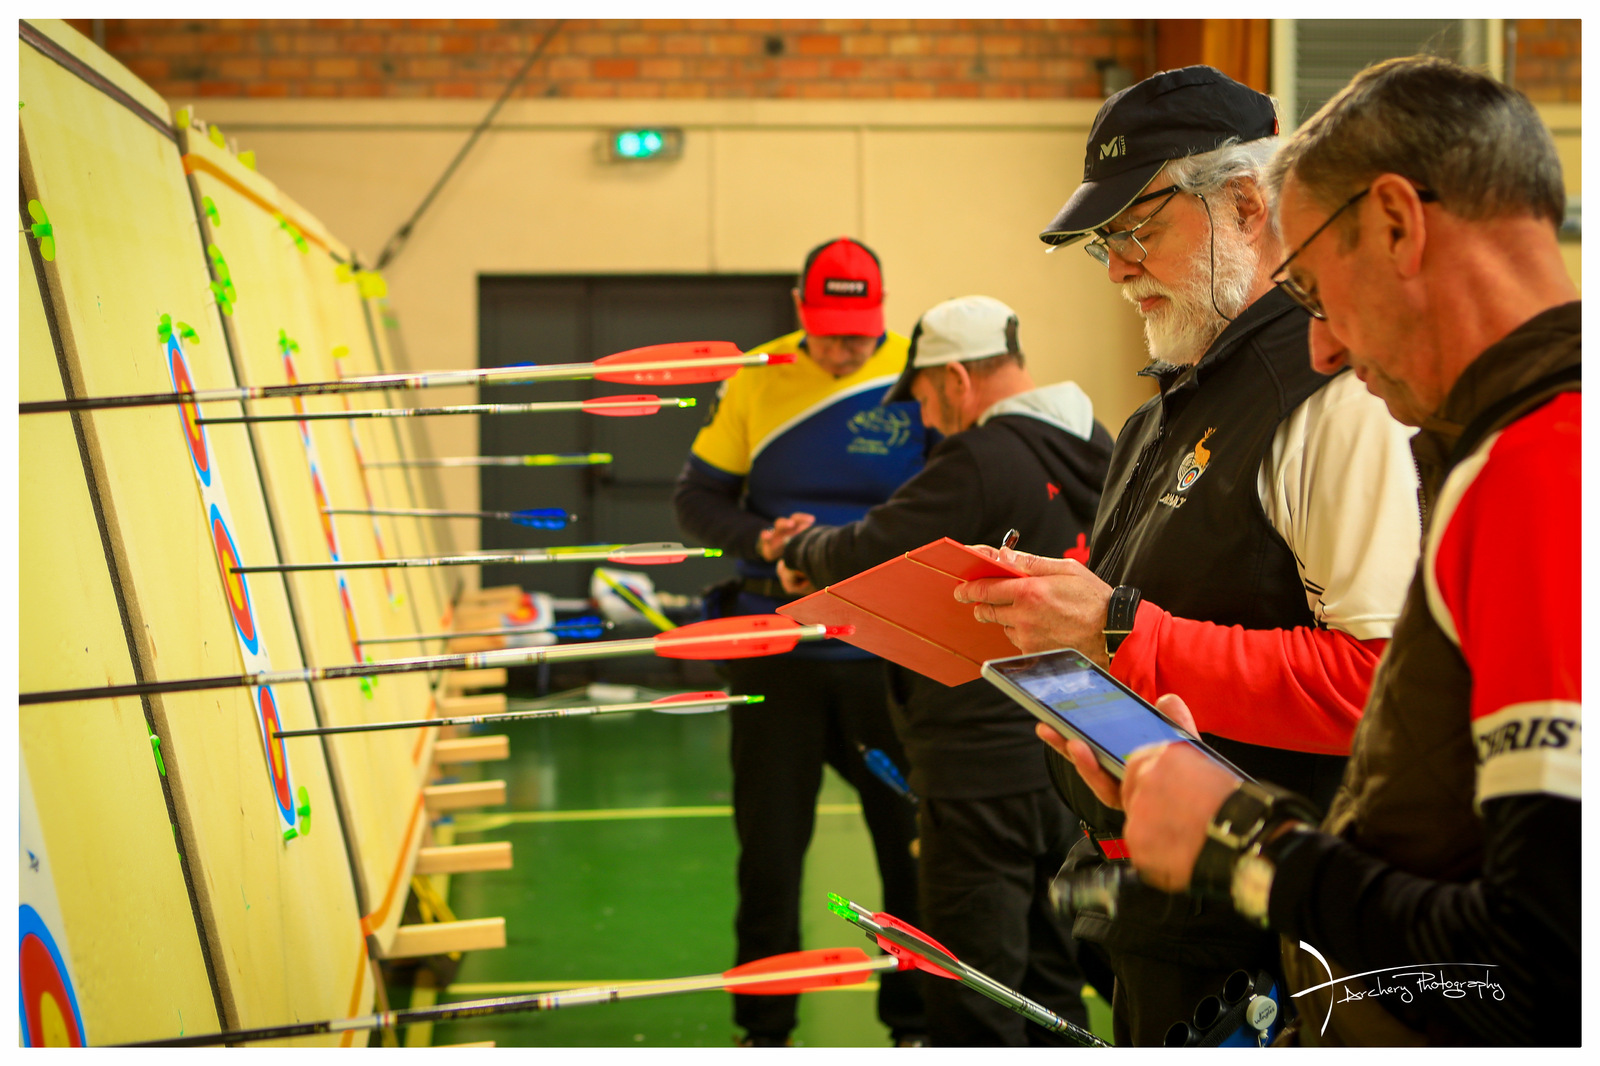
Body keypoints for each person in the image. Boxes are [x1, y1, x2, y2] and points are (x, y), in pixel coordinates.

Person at [1044, 54, 1580, 1047]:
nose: (1321, 347)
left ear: (1397, 224)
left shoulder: (1538, 464)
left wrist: (1243, 843)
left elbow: (1535, 961)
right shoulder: (1507, 451)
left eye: (1315, 289)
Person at [950, 66, 1422, 1045]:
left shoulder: (1334, 401)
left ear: (1246, 204)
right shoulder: (1165, 410)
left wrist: (1117, 628)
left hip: (1278, 936)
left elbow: (1382, 690)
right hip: (1161, 901)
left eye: (1136, 229)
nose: (1117, 269)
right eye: (1104, 243)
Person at [773, 295, 1114, 1045]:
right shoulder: (1099, 442)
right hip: (1071, 746)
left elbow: (871, 547)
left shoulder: (981, 456)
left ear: (957, 379)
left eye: (927, 398)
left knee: (973, 985)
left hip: (978, 763)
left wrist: (801, 550)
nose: (927, 420)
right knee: (1053, 980)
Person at [672, 237, 928, 1047]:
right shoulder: (757, 376)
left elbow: (955, 501)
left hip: (884, 662)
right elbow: (697, 499)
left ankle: (917, 1023)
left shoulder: (920, 374)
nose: (844, 350)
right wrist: (763, 543)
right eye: (828, 334)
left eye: (859, 335)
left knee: (913, 853)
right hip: (776, 659)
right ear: (798, 311)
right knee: (770, 860)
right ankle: (765, 1029)